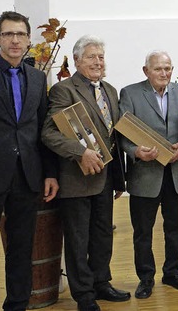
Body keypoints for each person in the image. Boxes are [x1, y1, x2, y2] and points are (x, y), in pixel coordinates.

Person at [0, 10, 59, 311]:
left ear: (29, 39)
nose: (15, 40)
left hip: (26, 178)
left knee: (21, 253)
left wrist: (49, 173)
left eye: (20, 34)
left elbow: (41, 129)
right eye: (8, 34)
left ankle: (16, 306)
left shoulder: (36, 77)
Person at [41, 35, 128, 311]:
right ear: (76, 60)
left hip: (105, 177)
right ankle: (84, 294)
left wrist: (119, 178)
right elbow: (48, 132)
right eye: (91, 56)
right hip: (76, 179)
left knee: (103, 234)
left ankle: (102, 282)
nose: (98, 62)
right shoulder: (63, 90)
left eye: (101, 57)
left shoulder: (111, 91)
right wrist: (81, 153)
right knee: (78, 239)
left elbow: (112, 136)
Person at [119, 51, 178, 299]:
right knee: (143, 232)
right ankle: (145, 278)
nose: (164, 73)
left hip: (176, 174)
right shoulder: (130, 93)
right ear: (145, 71)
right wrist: (136, 152)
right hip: (145, 175)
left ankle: (173, 272)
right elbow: (121, 135)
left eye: (168, 68)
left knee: (177, 227)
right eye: (158, 69)